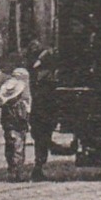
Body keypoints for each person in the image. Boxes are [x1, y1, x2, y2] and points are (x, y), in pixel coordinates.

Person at [29, 48, 58, 181]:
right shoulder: (49, 76)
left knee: (40, 142)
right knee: (43, 141)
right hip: (45, 114)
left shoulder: (35, 75)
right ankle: (38, 169)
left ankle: (38, 167)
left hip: (37, 114)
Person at [0, 67, 32, 182]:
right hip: (18, 127)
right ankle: (17, 173)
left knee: (9, 148)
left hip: (8, 127)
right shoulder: (19, 105)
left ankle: (12, 171)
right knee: (18, 149)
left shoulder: (6, 106)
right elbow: (23, 117)